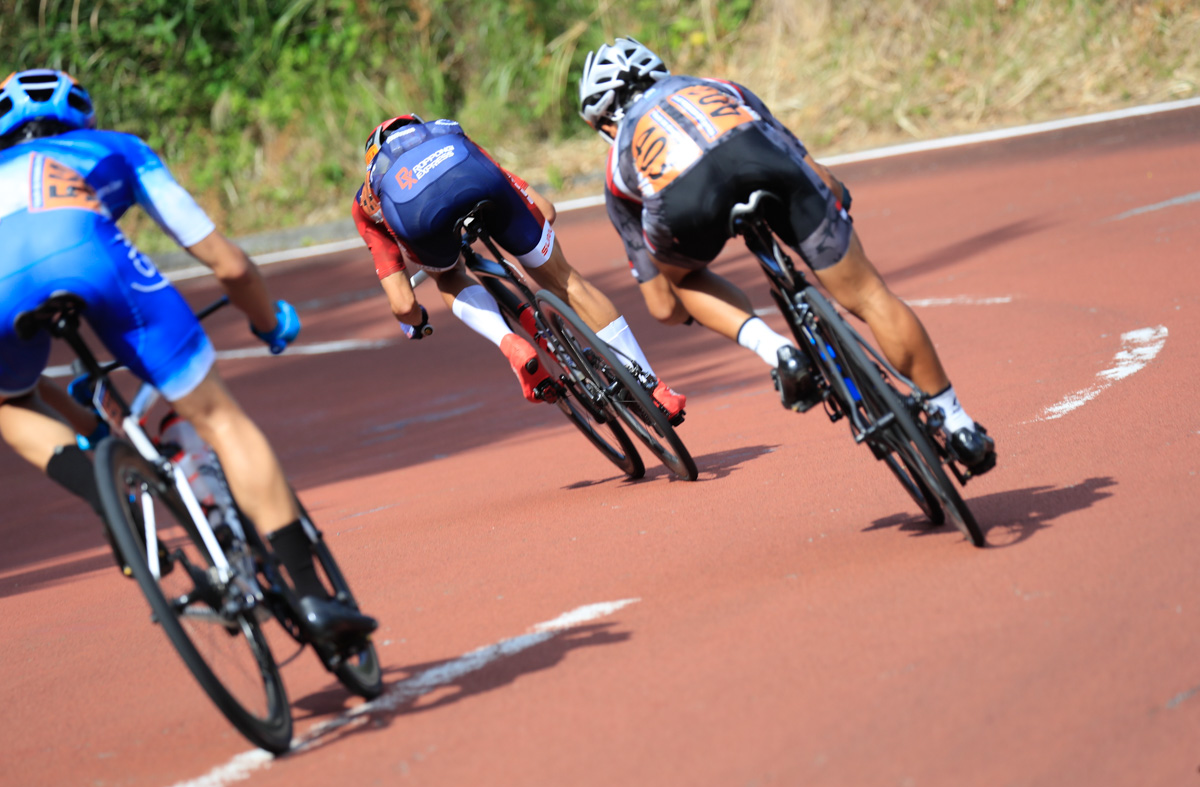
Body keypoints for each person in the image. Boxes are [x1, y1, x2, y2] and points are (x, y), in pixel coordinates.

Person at [0, 69, 376, 643]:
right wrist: (267, 320)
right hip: (90, 259)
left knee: (9, 404)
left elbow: (22, 387)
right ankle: (312, 596)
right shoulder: (117, 150)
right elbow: (228, 266)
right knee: (220, 419)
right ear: (82, 118)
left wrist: (102, 446)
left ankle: (109, 489)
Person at [577, 39, 996, 474]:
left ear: (605, 120)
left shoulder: (615, 165)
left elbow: (661, 305)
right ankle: (958, 424)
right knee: (870, 295)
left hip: (684, 200)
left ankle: (777, 351)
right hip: (760, 160)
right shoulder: (722, 87)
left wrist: (678, 296)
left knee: (679, 283)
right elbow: (819, 175)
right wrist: (836, 209)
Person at [352, 114, 687, 423]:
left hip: (417, 216)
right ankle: (654, 390)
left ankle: (509, 341)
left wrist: (416, 322)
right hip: (477, 180)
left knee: (449, 275)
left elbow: (404, 304)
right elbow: (546, 208)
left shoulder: (367, 195)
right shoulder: (445, 130)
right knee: (565, 280)